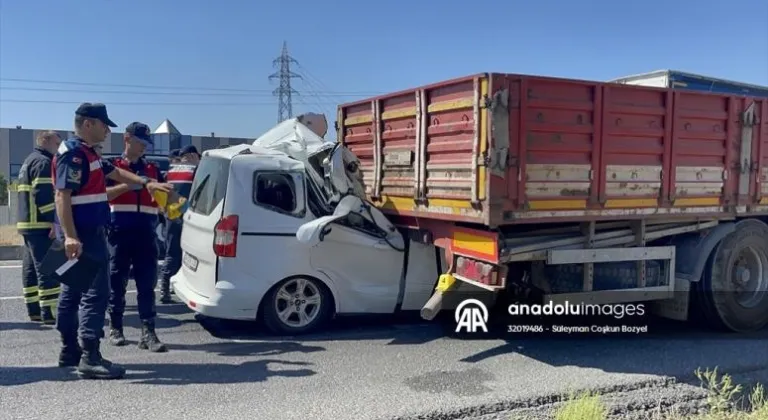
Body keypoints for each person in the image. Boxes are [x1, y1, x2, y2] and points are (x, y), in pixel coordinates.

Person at [53, 102, 172, 380]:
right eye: (104, 125)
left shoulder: (88, 154)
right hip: (84, 235)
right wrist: (70, 236)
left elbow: (115, 173)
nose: (108, 130)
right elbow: (62, 196)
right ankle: (90, 356)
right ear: (88, 124)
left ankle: (70, 350)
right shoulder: (75, 156)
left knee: (72, 294)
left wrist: (146, 183)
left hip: (86, 233)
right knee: (96, 294)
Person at [104, 122, 168, 352]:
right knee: (116, 283)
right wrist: (126, 185)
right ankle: (116, 327)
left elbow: (163, 202)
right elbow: (101, 195)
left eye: (146, 144)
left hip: (146, 234)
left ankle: (148, 332)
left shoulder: (152, 169)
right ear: (127, 139)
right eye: (140, 143)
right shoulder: (113, 167)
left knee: (146, 284)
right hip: (119, 233)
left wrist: (167, 199)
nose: (144, 148)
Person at [16, 130, 62, 324]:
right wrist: (53, 220)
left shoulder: (28, 161)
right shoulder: (43, 162)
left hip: (27, 224)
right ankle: (49, 313)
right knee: (47, 268)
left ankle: (34, 310)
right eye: (57, 143)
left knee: (31, 269)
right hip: (40, 224)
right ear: (45, 140)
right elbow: (43, 194)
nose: (59, 148)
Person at [158, 145, 200, 303]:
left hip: (171, 216)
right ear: (192, 156)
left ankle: (165, 288)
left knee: (172, 252)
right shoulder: (195, 170)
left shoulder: (171, 171)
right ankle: (175, 287)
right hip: (189, 217)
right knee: (190, 255)